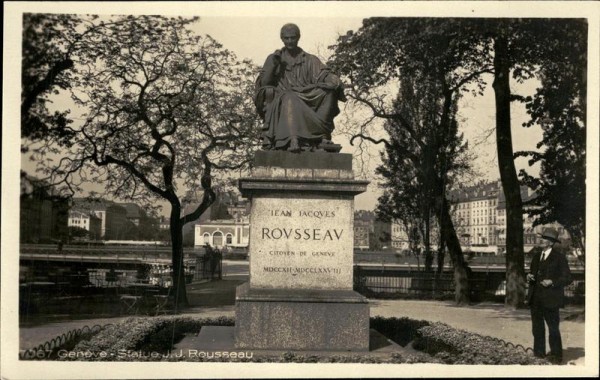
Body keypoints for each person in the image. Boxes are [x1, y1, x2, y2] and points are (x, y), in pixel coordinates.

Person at [254, 23, 346, 152]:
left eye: (293, 38)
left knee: (329, 92)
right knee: (290, 97)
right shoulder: (274, 58)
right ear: (282, 39)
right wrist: (273, 65)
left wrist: (332, 79)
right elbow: (264, 84)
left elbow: (323, 74)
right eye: (287, 38)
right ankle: (293, 138)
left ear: (298, 37)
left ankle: (322, 135)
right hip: (285, 95)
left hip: (306, 93)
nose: (290, 41)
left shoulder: (310, 59)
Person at [526, 227, 572, 363]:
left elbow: (568, 278)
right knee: (537, 328)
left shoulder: (559, 258)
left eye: (544, 238)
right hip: (535, 299)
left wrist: (552, 282)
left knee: (553, 329)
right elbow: (532, 273)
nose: (541, 240)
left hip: (551, 299)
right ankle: (539, 354)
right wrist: (529, 276)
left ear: (551, 242)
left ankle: (556, 356)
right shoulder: (536, 256)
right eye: (541, 237)